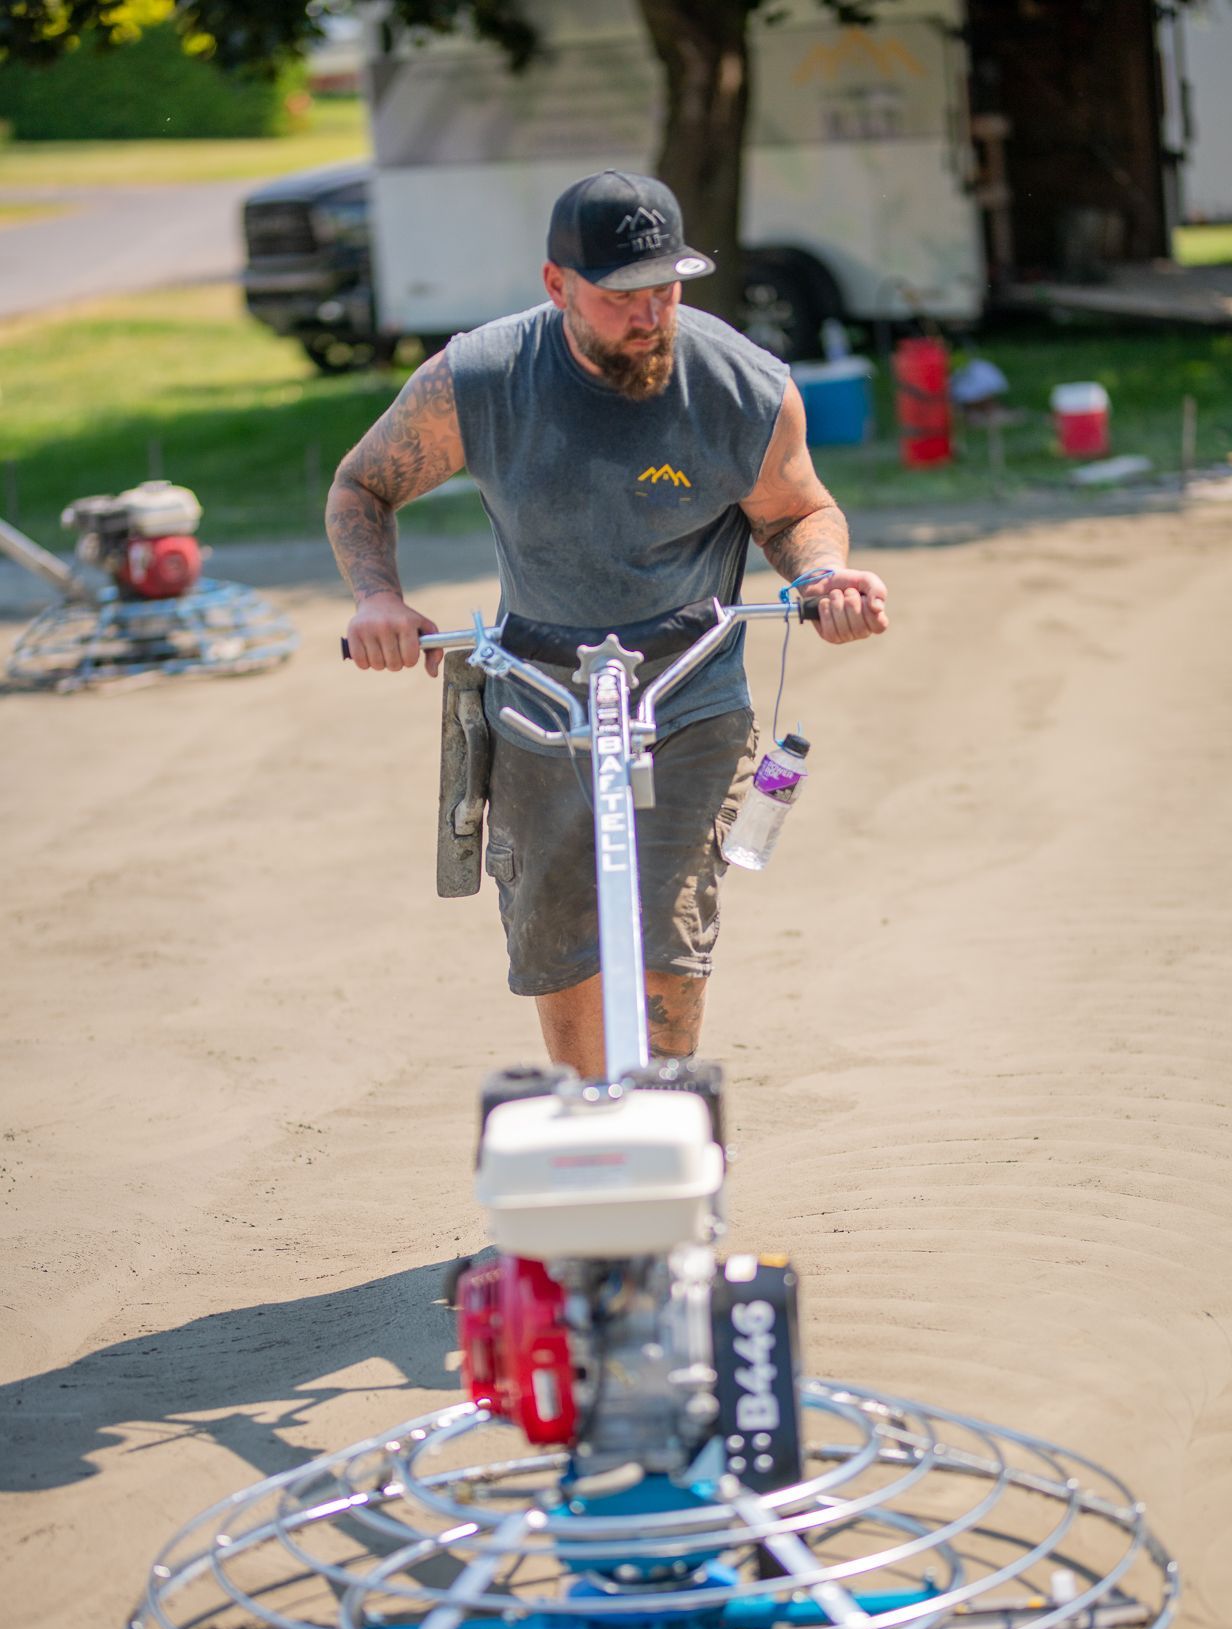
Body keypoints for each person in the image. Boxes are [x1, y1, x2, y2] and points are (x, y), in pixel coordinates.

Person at [327, 170, 888, 1078]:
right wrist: (377, 597)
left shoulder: (741, 386)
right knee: (557, 934)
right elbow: (362, 486)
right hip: (542, 687)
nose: (651, 312)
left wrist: (824, 576)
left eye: (667, 288)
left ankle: (670, 1127)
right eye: (623, 294)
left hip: (688, 683)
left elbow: (793, 512)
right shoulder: (480, 380)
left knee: (668, 932)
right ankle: (590, 1123)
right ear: (558, 287)